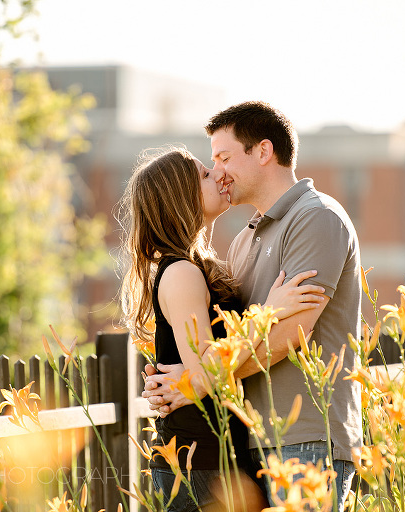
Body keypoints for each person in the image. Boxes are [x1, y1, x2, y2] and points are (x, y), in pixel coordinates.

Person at [142, 102, 362, 512]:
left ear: (263, 152)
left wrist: (195, 381)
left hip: (306, 437)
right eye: (212, 164)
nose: (219, 171)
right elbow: (229, 336)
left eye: (224, 158)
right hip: (252, 442)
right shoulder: (244, 240)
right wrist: (197, 376)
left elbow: (290, 333)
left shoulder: (316, 218)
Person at [118, 146, 326, 512]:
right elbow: (206, 367)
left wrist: (186, 378)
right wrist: (269, 312)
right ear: (180, 198)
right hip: (200, 464)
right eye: (203, 174)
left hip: (216, 459)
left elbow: (199, 369)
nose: (218, 174)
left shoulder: (197, 265)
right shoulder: (180, 272)